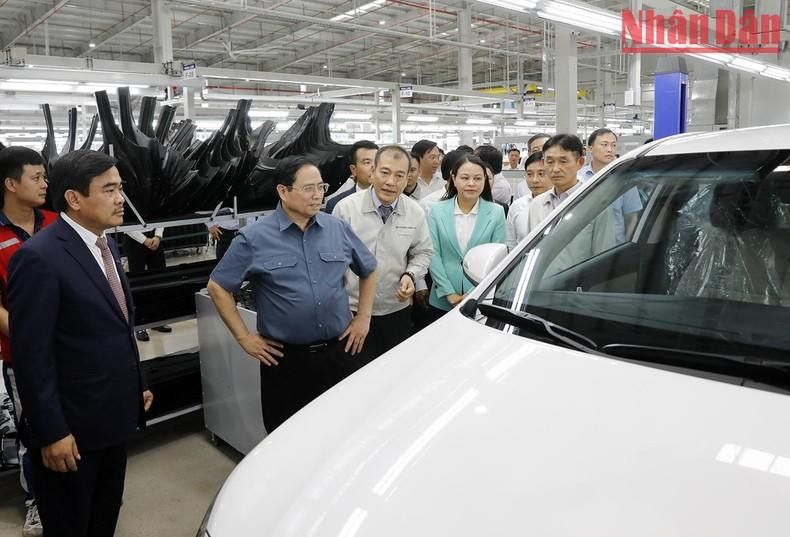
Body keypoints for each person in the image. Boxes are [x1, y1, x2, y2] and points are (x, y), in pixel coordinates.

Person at [8, 149, 153, 537]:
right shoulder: (40, 258)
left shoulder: (104, 245)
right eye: (109, 189)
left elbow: (114, 329)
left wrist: (135, 386)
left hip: (112, 418)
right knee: (72, 525)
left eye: (120, 188)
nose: (120, 198)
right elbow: (31, 356)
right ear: (74, 198)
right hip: (71, 431)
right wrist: (52, 432)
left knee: (104, 516)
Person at [207, 156, 378, 433]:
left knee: (343, 431)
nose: (318, 196)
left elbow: (369, 270)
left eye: (321, 187)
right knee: (287, 435)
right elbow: (218, 287)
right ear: (283, 192)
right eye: (308, 188)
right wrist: (244, 337)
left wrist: (364, 318)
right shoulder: (254, 238)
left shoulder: (337, 228)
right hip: (286, 361)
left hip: (339, 352)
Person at [0, 147, 57, 537]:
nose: (44, 183)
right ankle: (37, 501)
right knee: (34, 430)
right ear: (11, 184)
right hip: (22, 353)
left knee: (71, 425)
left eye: (44, 176)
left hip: (70, 349)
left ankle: (74, 490)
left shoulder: (58, 222)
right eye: (36, 177)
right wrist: (28, 334)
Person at [332, 146, 433, 363]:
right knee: (354, 376)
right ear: (372, 172)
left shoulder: (415, 212)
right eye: (384, 172)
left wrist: (411, 274)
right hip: (352, 311)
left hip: (395, 310)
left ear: (408, 179)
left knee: (392, 376)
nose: (390, 182)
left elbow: (423, 251)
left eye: (399, 175)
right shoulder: (345, 209)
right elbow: (332, 267)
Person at [426, 154, 506, 318]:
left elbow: (498, 258)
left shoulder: (496, 212)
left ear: (485, 180)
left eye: (477, 178)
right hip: (442, 297)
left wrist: (473, 293)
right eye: (465, 177)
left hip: (480, 297)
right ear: (453, 179)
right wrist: (448, 292)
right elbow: (433, 254)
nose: (471, 183)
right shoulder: (437, 210)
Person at [527, 134, 614, 270]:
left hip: (577, 287)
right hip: (539, 286)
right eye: (550, 162)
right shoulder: (536, 205)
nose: (555, 169)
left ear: (580, 163)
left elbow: (604, 257)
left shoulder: (598, 205)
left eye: (563, 161)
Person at [578, 128, 643, 243]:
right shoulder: (579, 177)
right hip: (583, 244)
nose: (610, 149)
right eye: (604, 145)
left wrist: (625, 247)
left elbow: (631, 217)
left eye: (613, 145)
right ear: (590, 149)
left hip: (613, 247)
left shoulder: (624, 179)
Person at [122, 228, 171, 342]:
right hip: (134, 238)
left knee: (159, 281)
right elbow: (125, 224)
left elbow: (160, 216)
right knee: (138, 284)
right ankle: (139, 325)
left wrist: (158, 236)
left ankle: (156, 320)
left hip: (154, 238)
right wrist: (144, 240)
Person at [506, 151, 550, 249]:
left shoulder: (561, 203)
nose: (535, 180)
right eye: (529, 174)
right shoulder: (517, 206)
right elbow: (511, 244)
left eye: (541, 174)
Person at [324, 140, 379, 214]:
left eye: (377, 161)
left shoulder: (393, 199)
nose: (374, 167)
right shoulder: (336, 204)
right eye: (367, 163)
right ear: (354, 170)